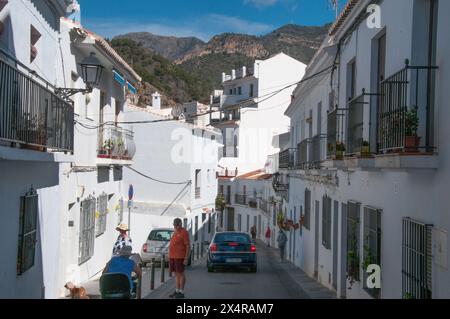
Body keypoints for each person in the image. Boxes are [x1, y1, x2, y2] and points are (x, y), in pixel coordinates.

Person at [168, 218, 190, 299]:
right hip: (173, 256)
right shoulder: (175, 231)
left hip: (180, 257)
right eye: (175, 225)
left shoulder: (184, 232)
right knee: (176, 274)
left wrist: (186, 258)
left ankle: (181, 292)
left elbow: (188, 246)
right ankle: (177, 291)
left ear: (181, 224)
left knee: (181, 274)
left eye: (177, 225)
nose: (176, 227)